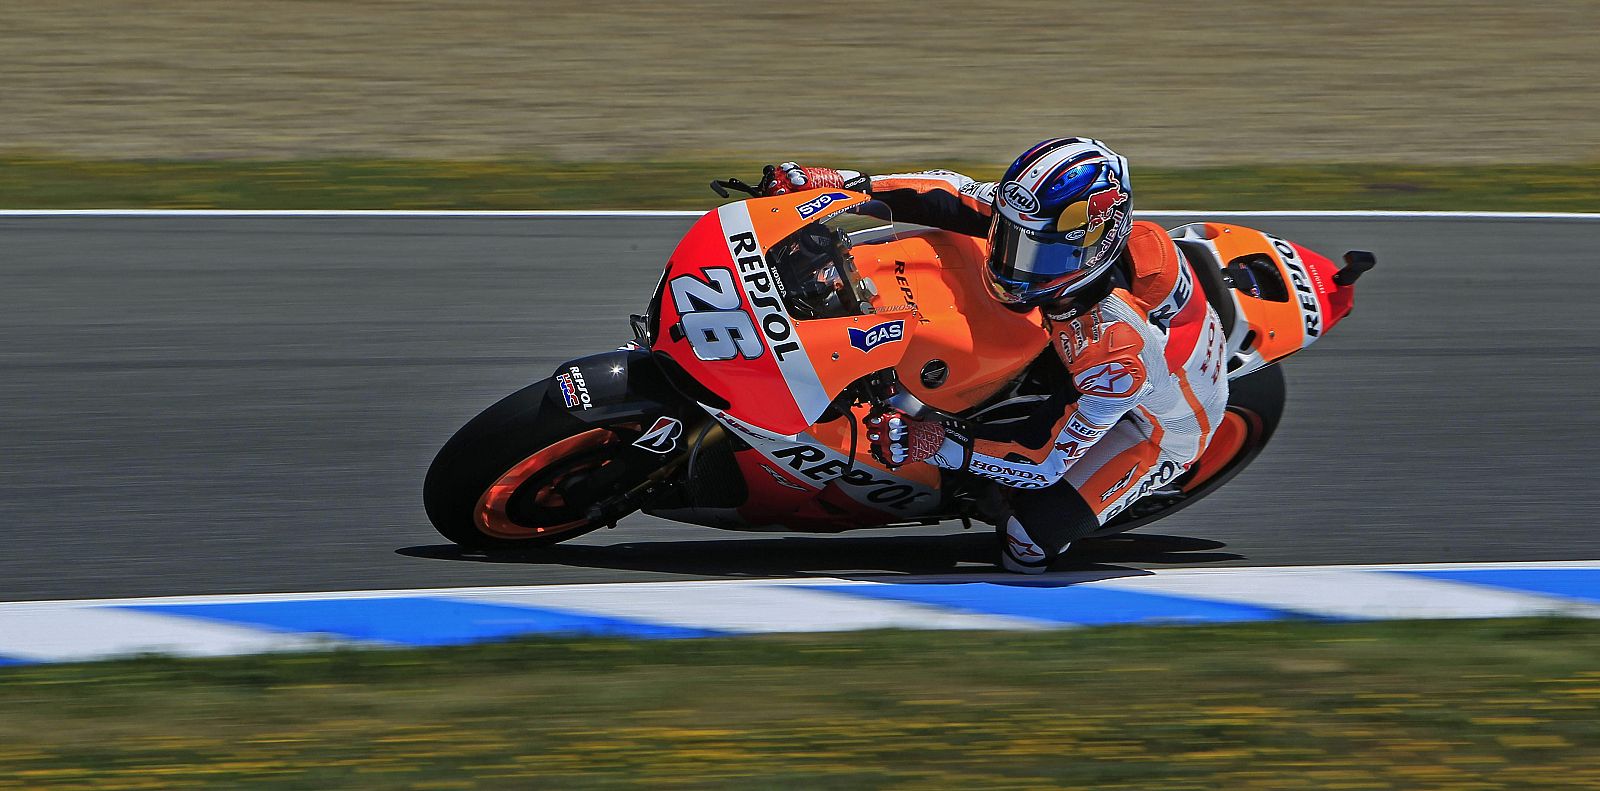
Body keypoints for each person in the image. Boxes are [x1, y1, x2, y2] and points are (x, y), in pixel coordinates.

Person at [762, 138, 1229, 573]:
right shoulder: (1047, 218)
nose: (1013, 262)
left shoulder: (1115, 353)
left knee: (1026, 544)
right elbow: (946, 191)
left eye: (1036, 254)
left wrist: (936, 445)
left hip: (1154, 426)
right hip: (1093, 344)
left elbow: (1043, 460)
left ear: (1092, 250)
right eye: (1009, 239)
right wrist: (841, 184)